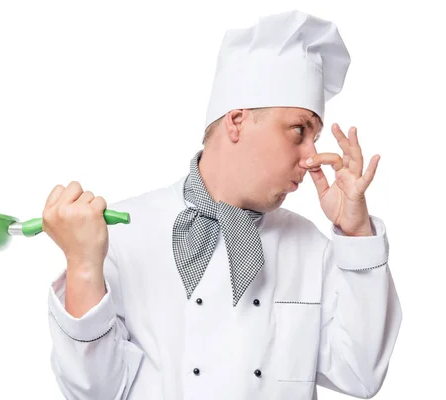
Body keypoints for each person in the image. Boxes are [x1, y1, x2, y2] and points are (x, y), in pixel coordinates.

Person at [42, 10, 402, 400]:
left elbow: (362, 374)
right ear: (236, 121)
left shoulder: (311, 249)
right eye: (299, 131)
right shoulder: (121, 235)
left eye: (314, 138)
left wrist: (356, 234)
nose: (313, 156)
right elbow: (94, 391)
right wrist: (82, 267)